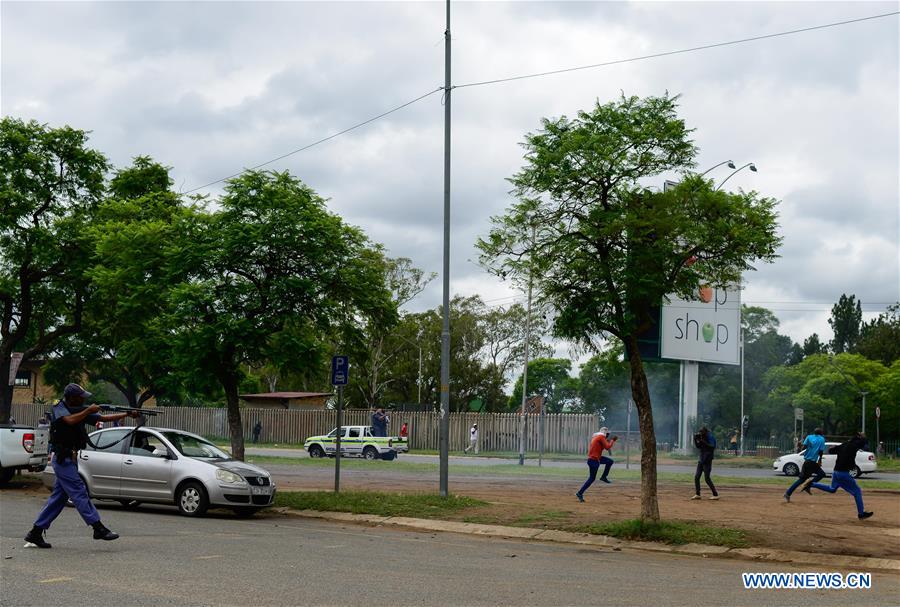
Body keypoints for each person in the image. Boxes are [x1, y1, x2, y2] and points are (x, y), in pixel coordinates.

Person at [24, 383, 138, 548]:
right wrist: (88, 410)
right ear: (71, 398)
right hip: (62, 459)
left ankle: (35, 532)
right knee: (79, 491)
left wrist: (127, 414)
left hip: (71, 459)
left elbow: (102, 418)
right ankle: (98, 527)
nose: (84, 400)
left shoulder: (79, 411)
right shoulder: (59, 407)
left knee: (58, 499)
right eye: (80, 397)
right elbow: (68, 420)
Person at [809, 433, 874, 519]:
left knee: (832, 489)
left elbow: (831, 451)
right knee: (857, 491)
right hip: (843, 473)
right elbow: (864, 443)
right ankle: (861, 514)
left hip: (836, 472)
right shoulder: (854, 445)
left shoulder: (844, 444)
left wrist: (832, 448)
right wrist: (862, 437)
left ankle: (811, 484)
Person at [783, 427, 826, 503]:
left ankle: (805, 487)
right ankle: (791, 492)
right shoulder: (822, 439)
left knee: (819, 474)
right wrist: (820, 460)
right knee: (817, 475)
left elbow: (804, 448)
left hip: (808, 462)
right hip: (811, 462)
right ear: (821, 433)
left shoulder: (809, 437)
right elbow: (821, 451)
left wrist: (800, 446)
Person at [575, 427, 618, 502]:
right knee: (592, 478)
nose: (608, 435)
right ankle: (580, 493)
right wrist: (612, 441)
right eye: (607, 434)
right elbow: (607, 447)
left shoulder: (597, 437)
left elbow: (602, 446)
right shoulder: (601, 437)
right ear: (605, 433)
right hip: (594, 460)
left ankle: (603, 477)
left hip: (595, 458)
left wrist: (608, 441)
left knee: (610, 461)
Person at [691, 426, 719, 500]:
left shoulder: (710, 437)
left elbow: (712, 446)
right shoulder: (702, 437)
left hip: (707, 460)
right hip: (701, 459)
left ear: (705, 432)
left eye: (701, 432)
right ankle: (698, 494)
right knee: (697, 477)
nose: (700, 433)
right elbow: (698, 446)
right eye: (699, 432)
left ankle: (715, 494)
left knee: (707, 478)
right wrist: (695, 439)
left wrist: (703, 441)